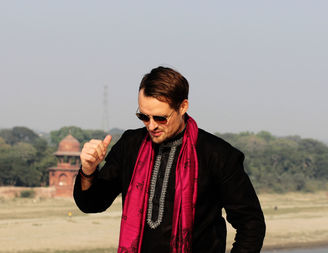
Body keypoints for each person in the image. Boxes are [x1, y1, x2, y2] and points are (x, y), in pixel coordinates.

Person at [73, 66, 266, 253]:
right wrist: (88, 170)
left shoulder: (217, 154)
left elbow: (251, 223)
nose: (151, 126)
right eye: (143, 116)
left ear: (183, 107)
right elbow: (92, 204)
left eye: (160, 118)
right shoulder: (130, 145)